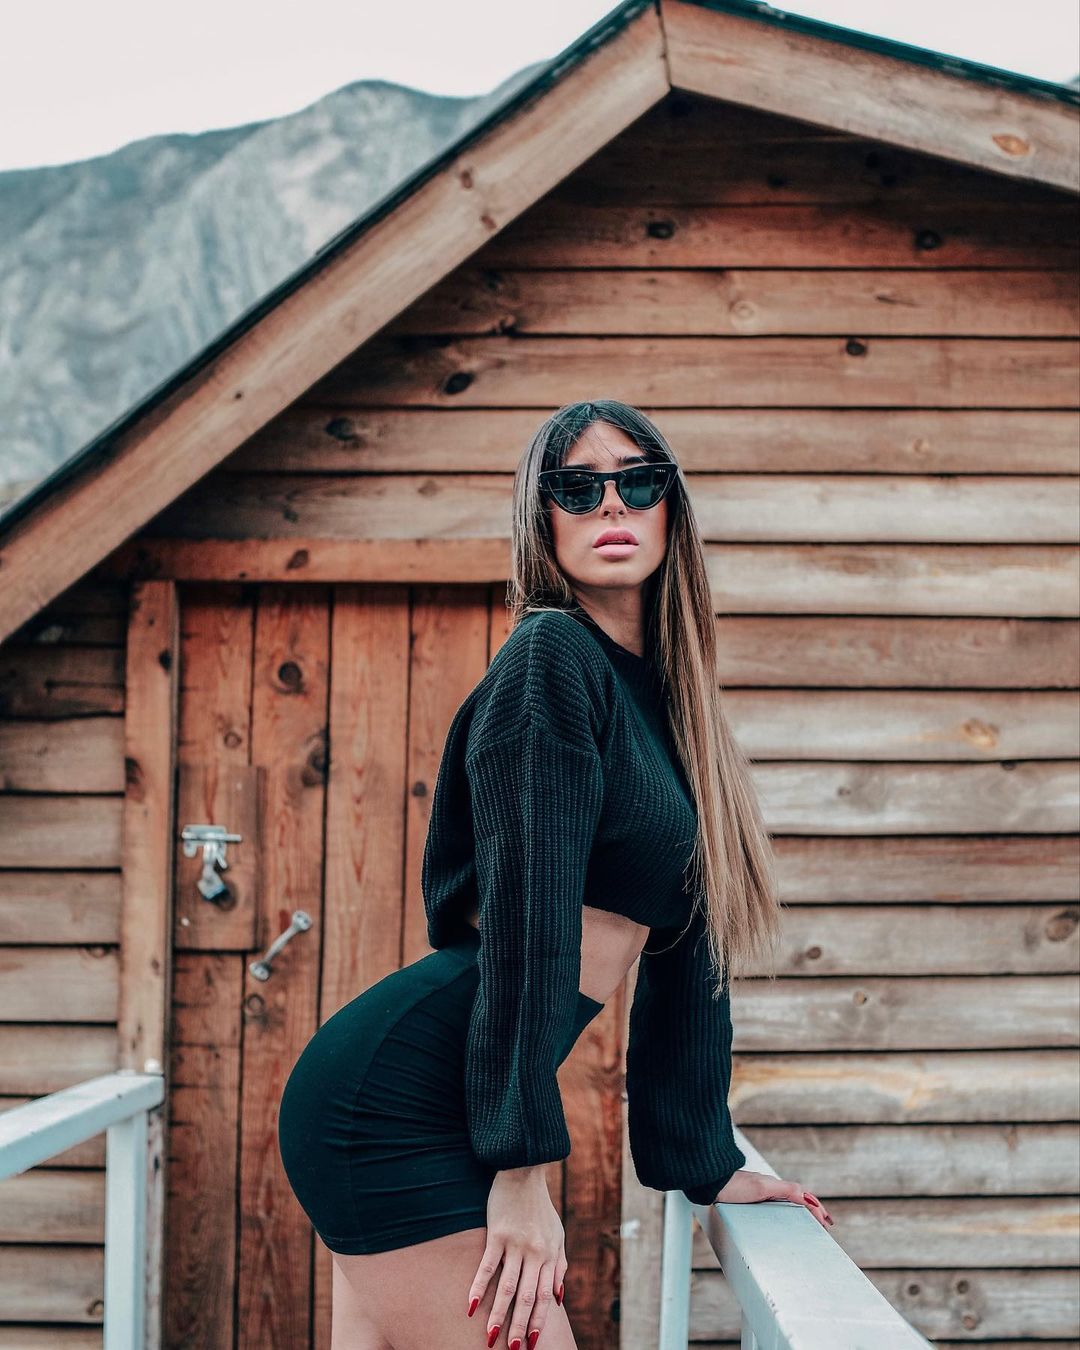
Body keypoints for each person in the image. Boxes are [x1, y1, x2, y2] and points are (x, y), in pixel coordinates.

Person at [277, 400, 833, 1350]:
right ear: (543, 520)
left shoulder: (669, 705)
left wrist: (705, 1161)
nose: (611, 504)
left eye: (638, 482)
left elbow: (688, 958)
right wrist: (521, 1169)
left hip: (437, 1096)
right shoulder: (551, 657)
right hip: (397, 1104)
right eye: (576, 488)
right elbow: (529, 916)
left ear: (672, 508)